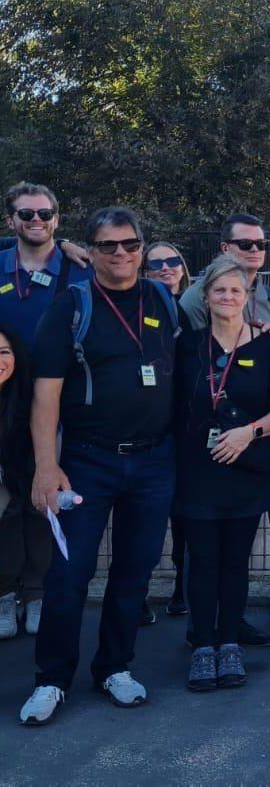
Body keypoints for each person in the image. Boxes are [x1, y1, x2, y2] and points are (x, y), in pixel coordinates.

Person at [19, 207, 180, 725]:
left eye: (130, 244)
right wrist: (47, 467)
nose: (120, 254)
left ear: (141, 247)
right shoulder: (71, 305)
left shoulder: (162, 299)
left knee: (135, 571)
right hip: (88, 461)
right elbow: (45, 396)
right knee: (69, 573)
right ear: (91, 251)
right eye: (108, 245)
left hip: (153, 462)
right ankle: (51, 679)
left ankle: (115, 666)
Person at [174, 257, 270, 690]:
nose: (227, 297)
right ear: (205, 297)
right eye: (219, 290)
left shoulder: (269, 346)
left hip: (247, 467)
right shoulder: (187, 345)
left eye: (235, 291)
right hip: (198, 471)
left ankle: (229, 644)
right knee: (203, 561)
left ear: (247, 297)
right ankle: (203, 646)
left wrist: (250, 432)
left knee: (235, 562)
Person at [0, 183, 91, 640]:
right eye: (26, 214)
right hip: (4, 400)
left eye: (45, 213)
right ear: (10, 220)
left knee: (44, 496)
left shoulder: (77, 269)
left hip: (56, 399)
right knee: (4, 502)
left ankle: (37, 592)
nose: (36, 220)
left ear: (57, 217)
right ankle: (4, 593)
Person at [141, 240, 191, 619]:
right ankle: (136, 595)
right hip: (148, 430)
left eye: (173, 261)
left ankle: (181, 591)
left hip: (188, 430)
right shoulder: (139, 307)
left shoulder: (195, 308)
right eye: (156, 263)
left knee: (186, 519)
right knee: (144, 521)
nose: (166, 268)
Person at [179, 213, 270, 333]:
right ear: (225, 248)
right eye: (245, 243)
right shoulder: (196, 297)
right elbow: (191, 344)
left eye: (261, 244)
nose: (255, 249)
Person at [0, 326, 34, 640]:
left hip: (29, 471)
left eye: (4, 352)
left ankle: (37, 595)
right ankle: (5, 596)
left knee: (39, 511)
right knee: (5, 513)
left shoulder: (29, 396)